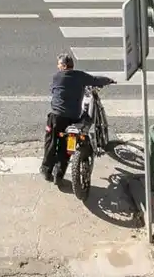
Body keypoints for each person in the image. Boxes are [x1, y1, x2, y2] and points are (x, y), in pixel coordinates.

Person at [40, 52, 114, 181]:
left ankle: (46, 170)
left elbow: (53, 90)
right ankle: (60, 174)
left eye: (58, 64)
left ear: (63, 66)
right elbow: (96, 80)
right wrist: (109, 80)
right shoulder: (80, 76)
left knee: (51, 143)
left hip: (57, 117)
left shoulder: (57, 77)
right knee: (67, 146)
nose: (57, 66)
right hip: (74, 117)